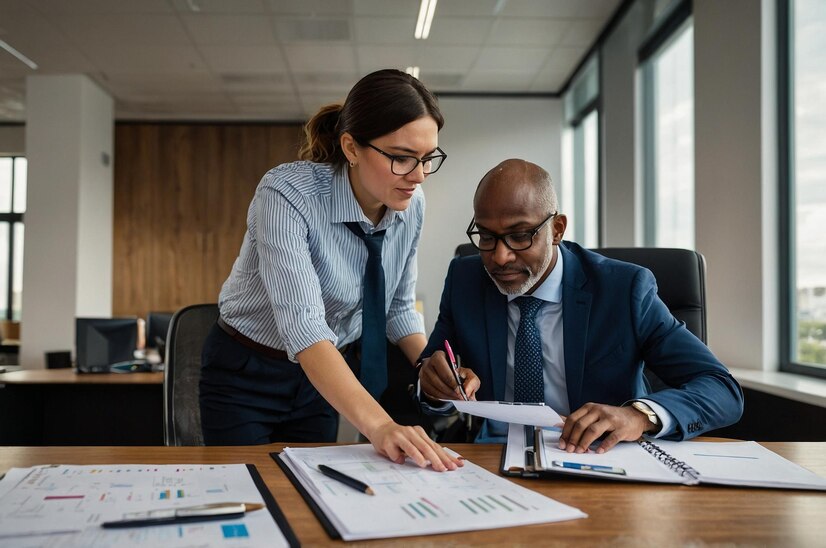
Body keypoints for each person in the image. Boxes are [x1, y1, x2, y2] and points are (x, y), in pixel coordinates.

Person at [200, 69, 461, 472]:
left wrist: (432, 367)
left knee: (311, 494)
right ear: (351, 147)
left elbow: (398, 309)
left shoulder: (412, 203)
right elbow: (304, 326)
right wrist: (382, 426)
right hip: (247, 372)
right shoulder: (287, 194)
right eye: (401, 158)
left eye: (428, 159)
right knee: (249, 492)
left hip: (323, 375)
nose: (419, 175)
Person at [418, 159, 743, 453]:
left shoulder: (624, 289)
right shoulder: (465, 278)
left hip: (597, 454)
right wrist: (434, 387)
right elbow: (432, 373)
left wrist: (638, 416)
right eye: (487, 237)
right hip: (494, 453)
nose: (500, 257)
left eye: (520, 236)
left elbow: (721, 389)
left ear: (557, 229)